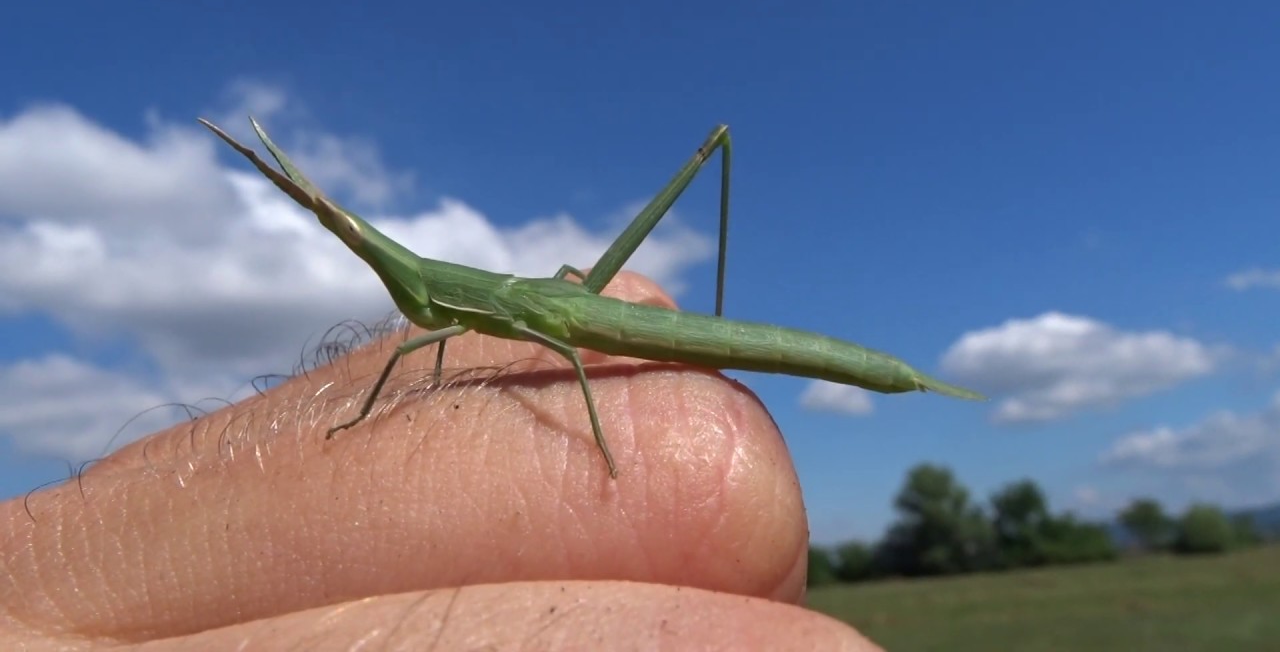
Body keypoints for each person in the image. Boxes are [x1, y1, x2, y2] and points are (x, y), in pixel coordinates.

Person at [1, 273, 878, 650]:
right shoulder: (443, 304)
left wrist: (603, 444)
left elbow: (565, 353)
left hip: (603, 328)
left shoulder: (465, 309)